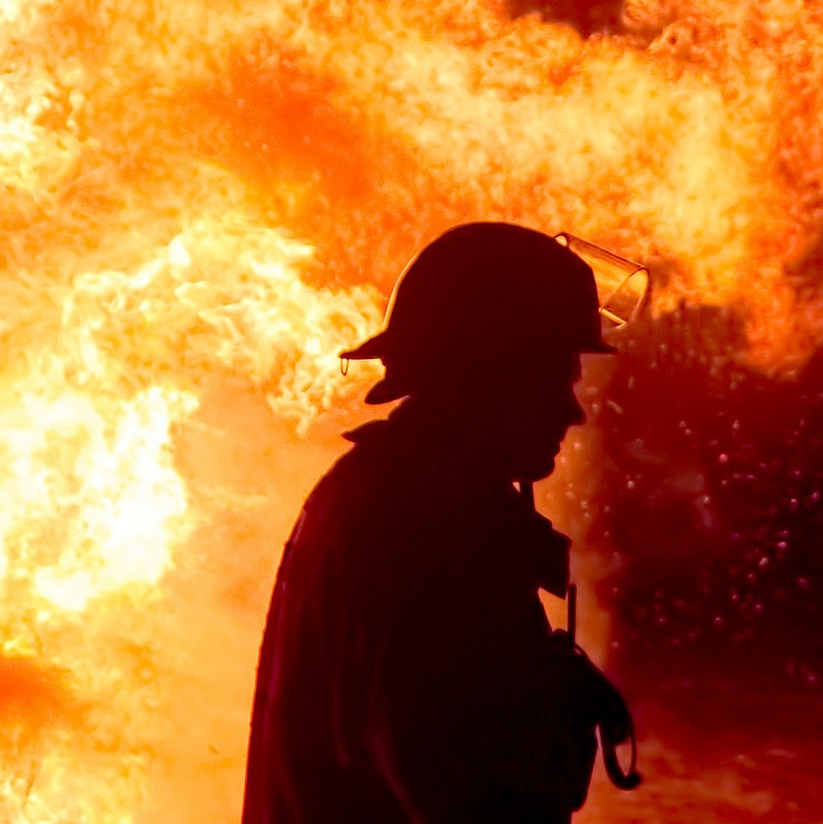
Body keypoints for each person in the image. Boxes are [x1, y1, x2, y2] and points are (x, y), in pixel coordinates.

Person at [242, 223, 633, 823]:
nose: (571, 411)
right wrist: (548, 728)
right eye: (556, 376)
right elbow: (467, 798)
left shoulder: (374, 492)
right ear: (491, 374)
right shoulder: (429, 532)